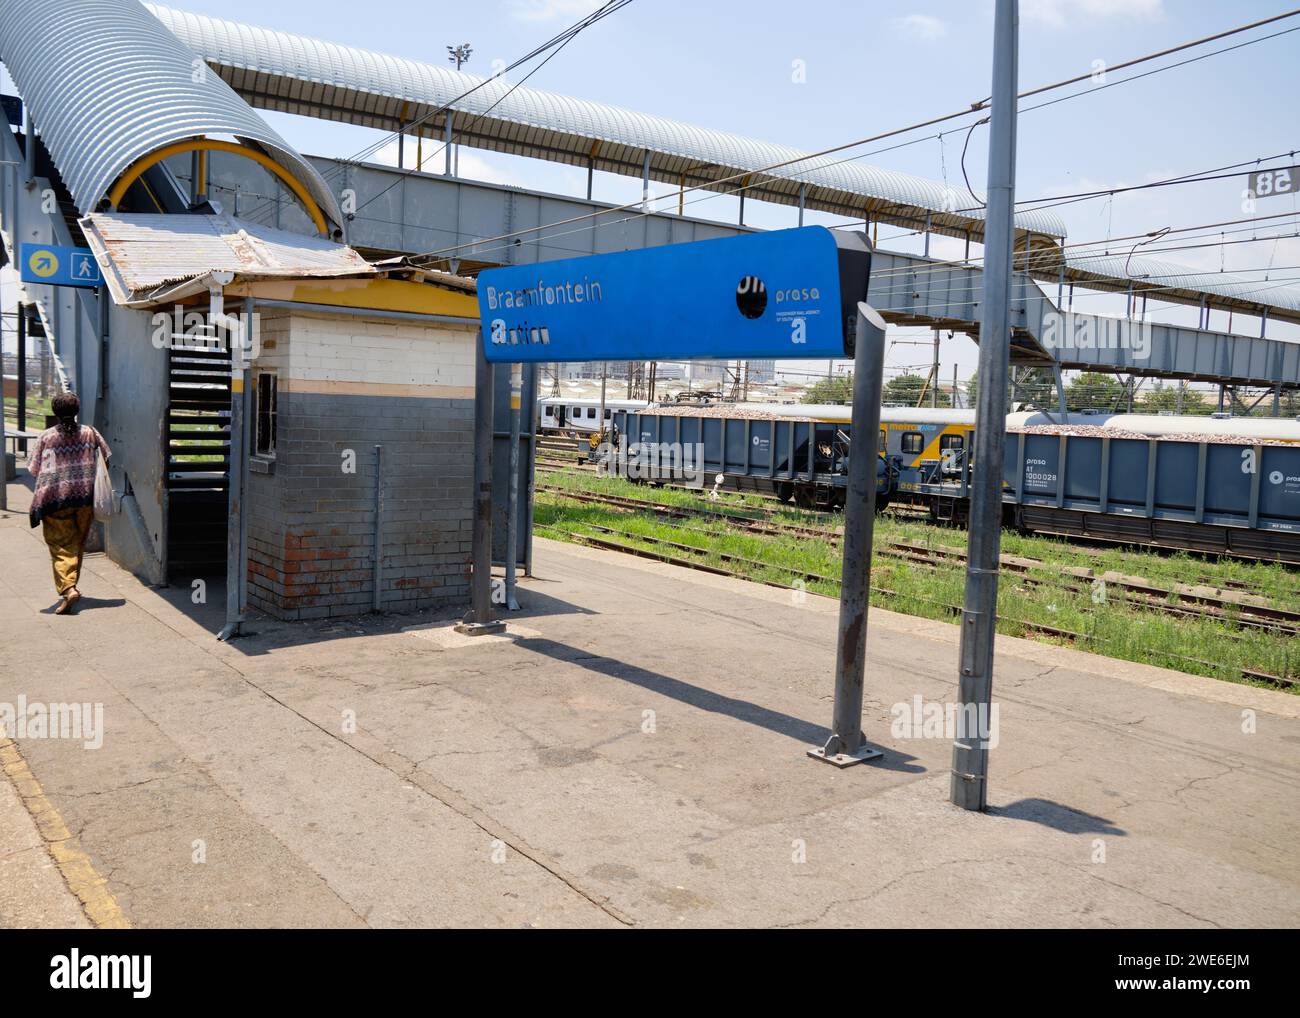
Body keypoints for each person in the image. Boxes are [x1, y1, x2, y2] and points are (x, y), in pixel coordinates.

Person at [27, 392, 112, 614]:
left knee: (60, 544)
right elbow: (107, 457)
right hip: (84, 499)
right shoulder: (90, 432)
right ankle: (70, 585)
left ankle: (68, 588)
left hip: (55, 500)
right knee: (77, 544)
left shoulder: (47, 437)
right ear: (76, 411)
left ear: (55, 412)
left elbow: (34, 469)